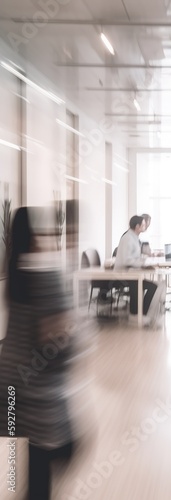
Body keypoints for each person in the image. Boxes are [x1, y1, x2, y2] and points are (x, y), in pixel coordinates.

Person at [0, 207, 78, 500]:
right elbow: (55, 341)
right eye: (46, 232)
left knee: (35, 452)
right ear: (36, 236)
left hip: (9, 381)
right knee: (63, 446)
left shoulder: (15, 270)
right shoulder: (46, 276)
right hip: (38, 384)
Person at [114, 215, 159, 319]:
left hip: (131, 272)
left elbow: (134, 257)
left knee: (147, 285)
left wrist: (144, 261)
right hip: (123, 273)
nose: (145, 226)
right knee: (152, 287)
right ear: (137, 226)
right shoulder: (128, 238)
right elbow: (127, 260)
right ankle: (140, 313)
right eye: (143, 225)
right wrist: (143, 264)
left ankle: (137, 313)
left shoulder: (134, 237)